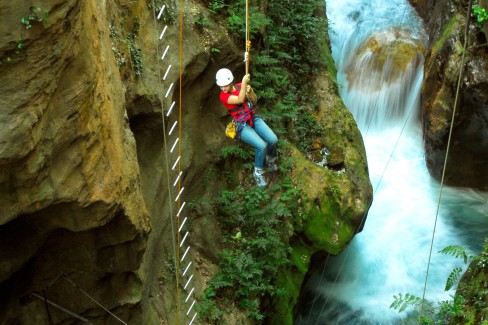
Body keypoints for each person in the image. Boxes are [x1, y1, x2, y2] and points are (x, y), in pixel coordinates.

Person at [216, 68, 278, 188]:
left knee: (273, 139)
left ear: (231, 82)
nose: (223, 88)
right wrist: (244, 83)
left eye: (225, 85)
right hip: (241, 125)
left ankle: (271, 159)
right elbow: (239, 99)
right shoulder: (223, 96)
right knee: (261, 146)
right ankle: (258, 172)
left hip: (253, 118)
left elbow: (254, 100)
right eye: (221, 86)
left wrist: (250, 92)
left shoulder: (240, 86)